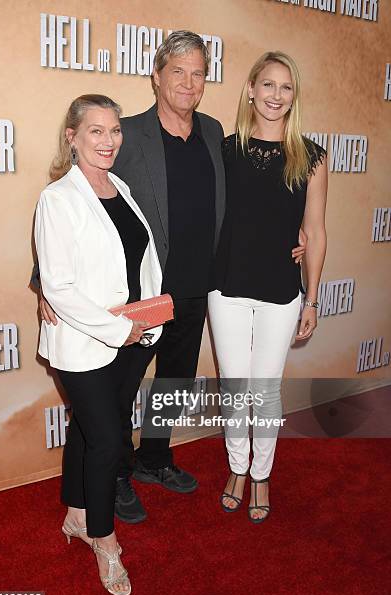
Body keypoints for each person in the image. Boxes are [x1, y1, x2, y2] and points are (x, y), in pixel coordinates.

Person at [39, 32, 305, 524]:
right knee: (120, 391)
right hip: (141, 296)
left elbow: (256, 200)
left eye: (198, 72)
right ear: (156, 76)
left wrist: (295, 238)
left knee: (175, 382)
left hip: (199, 285)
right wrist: (44, 285)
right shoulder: (127, 133)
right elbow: (82, 195)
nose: (188, 82)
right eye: (177, 71)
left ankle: (155, 459)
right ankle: (115, 474)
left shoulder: (214, 132)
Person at [34, 94, 164, 595]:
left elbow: (142, 258)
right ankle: (104, 541)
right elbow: (59, 288)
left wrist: (147, 318)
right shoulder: (57, 199)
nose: (109, 140)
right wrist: (119, 329)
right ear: (72, 137)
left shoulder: (122, 186)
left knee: (89, 433)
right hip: (86, 342)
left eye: (114, 130)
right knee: (109, 440)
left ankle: (74, 513)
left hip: (133, 336)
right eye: (96, 131)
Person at [208, 51, 327, 523]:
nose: (277, 96)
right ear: (252, 89)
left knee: (266, 389)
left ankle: (261, 474)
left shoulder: (312, 156)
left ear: (294, 96)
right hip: (227, 285)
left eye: (287, 87)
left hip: (281, 288)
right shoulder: (227, 149)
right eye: (269, 85)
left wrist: (313, 297)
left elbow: (315, 231)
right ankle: (237, 467)